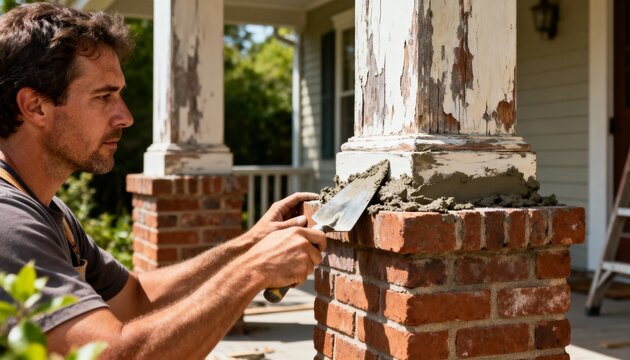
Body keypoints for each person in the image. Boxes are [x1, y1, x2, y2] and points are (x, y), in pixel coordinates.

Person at [0, 3, 326, 358]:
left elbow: (136, 298)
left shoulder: (50, 212)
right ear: (35, 106)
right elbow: (116, 355)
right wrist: (252, 270)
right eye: (103, 96)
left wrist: (249, 245)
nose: (125, 116)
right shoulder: (8, 221)